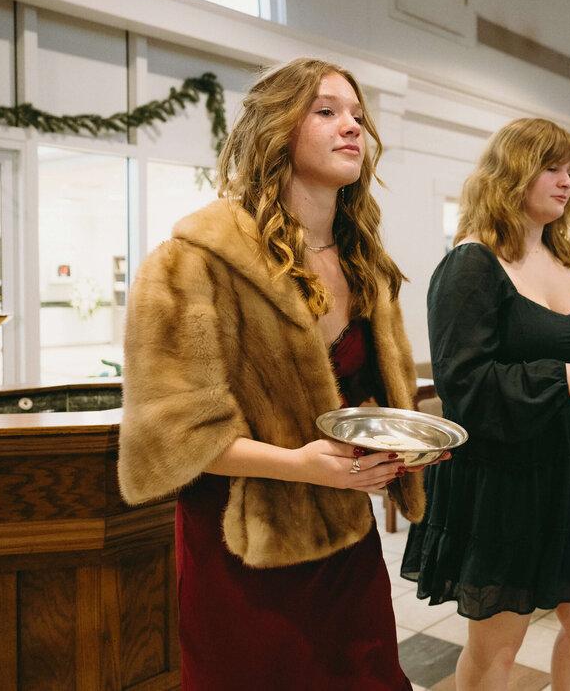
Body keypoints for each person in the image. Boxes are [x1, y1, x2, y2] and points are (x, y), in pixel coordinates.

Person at [118, 57, 439, 690]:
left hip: (343, 537)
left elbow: (368, 397)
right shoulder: (193, 263)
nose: (352, 127)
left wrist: (396, 446)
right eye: (326, 112)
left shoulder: (365, 261)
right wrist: (302, 465)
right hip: (243, 548)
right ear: (275, 130)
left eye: (356, 115)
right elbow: (175, 438)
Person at [400, 118, 570, 690]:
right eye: (552, 168)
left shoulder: (567, 259)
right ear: (512, 175)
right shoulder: (470, 265)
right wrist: (562, 379)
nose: (566, 182)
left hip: (565, 468)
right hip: (502, 479)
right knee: (498, 644)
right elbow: (464, 386)